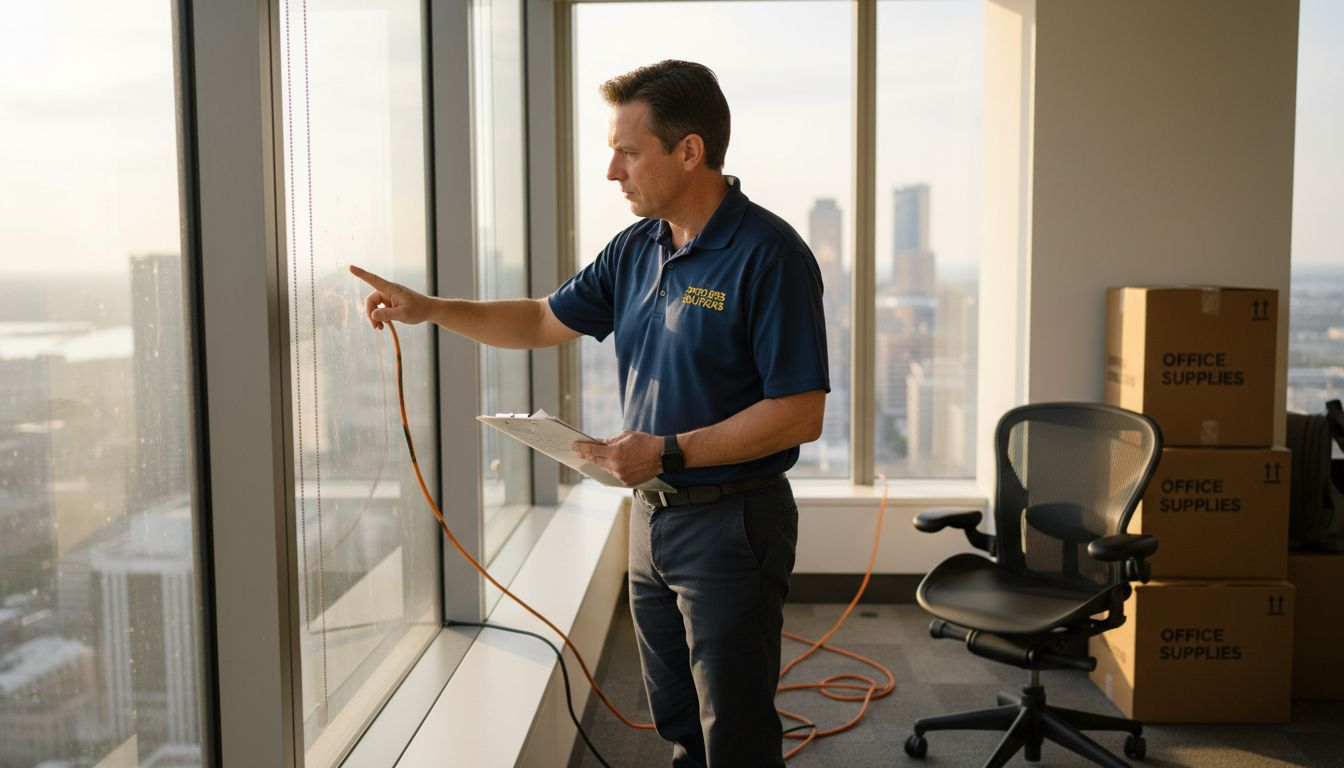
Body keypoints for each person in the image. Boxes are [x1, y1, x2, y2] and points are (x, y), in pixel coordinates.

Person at [351, 59, 828, 768]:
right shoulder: (638, 248)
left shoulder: (769, 254)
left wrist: (669, 451)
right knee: (676, 717)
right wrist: (429, 310)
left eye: (629, 151)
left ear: (689, 151)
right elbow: (542, 319)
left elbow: (800, 414)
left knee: (735, 729)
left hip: (732, 524)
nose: (612, 171)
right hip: (651, 515)